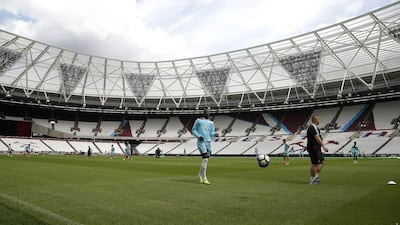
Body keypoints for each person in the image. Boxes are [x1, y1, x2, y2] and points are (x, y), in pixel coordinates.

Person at [192, 109, 217, 185]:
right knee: (205, 159)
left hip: (208, 142)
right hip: (201, 142)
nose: (207, 113)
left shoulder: (211, 123)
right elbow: (194, 130)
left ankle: (199, 175)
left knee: (205, 160)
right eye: (206, 112)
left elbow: (212, 132)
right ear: (203, 113)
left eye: (208, 112)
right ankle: (204, 178)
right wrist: (199, 136)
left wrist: (215, 134)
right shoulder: (198, 121)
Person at [306, 115, 328, 185]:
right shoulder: (312, 127)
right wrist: (323, 146)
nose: (319, 121)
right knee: (315, 164)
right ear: (316, 120)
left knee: (322, 162)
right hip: (314, 148)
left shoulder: (315, 127)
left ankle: (314, 177)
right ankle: (313, 179)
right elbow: (317, 137)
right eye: (319, 119)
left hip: (316, 148)